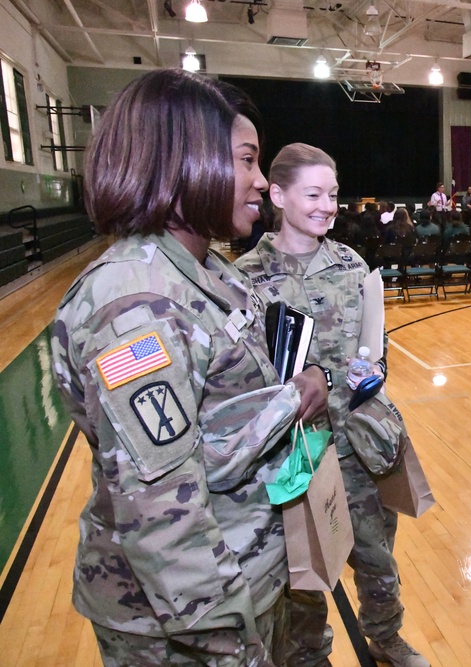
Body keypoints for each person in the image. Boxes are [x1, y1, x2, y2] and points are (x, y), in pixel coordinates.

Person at [50, 69, 330, 666]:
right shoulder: (137, 304)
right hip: (189, 627)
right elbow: (165, 520)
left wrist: (294, 390)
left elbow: (226, 408)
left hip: (247, 586)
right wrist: (235, 648)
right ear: (184, 163)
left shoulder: (208, 272)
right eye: (247, 161)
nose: (260, 182)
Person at [236, 143, 430, 667]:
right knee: (304, 574)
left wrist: (373, 371)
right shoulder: (246, 278)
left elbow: (376, 348)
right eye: (314, 194)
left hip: (361, 448)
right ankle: (310, 656)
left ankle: (385, 638)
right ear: (277, 195)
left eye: (333, 195)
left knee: (376, 559)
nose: (327, 206)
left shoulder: (352, 265)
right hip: (296, 454)